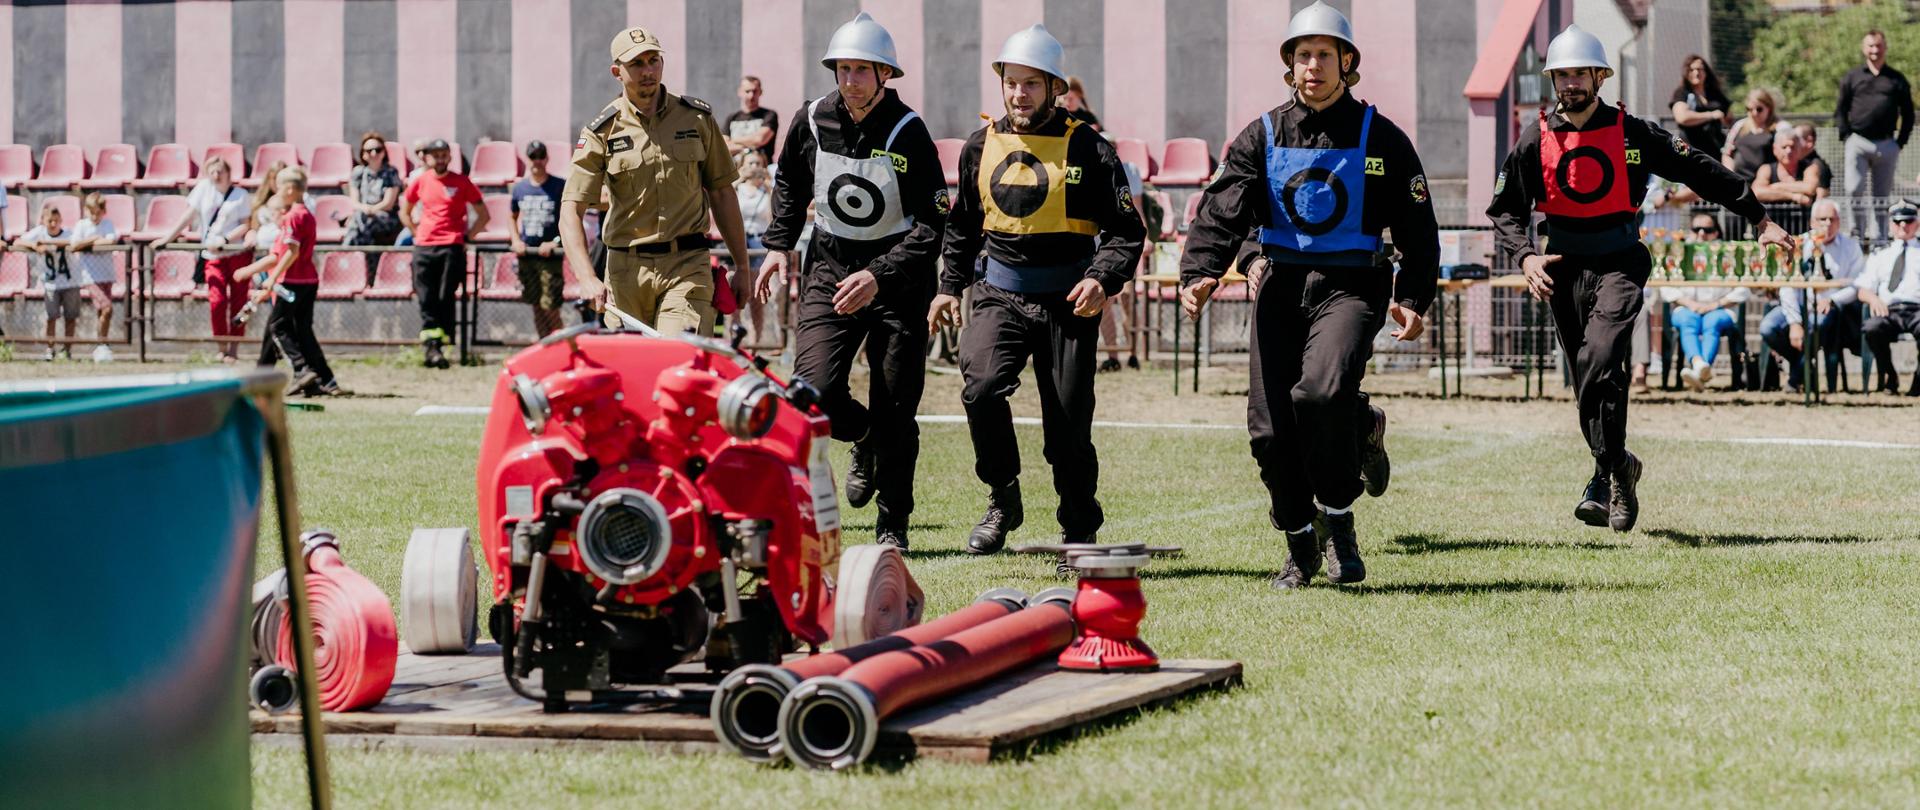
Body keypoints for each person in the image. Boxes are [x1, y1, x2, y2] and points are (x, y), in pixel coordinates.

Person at [1488, 24, 1790, 532]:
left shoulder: (1634, 131)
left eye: (1579, 74)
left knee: (1602, 355)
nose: (1570, 84)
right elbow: (1505, 210)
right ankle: (1617, 468)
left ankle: (1603, 476)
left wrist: (1758, 217)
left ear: (1599, 76)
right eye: (1561, 76)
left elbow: (1700, 169)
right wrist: (1526, 257)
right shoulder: (1533, 138)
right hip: (1561, 266)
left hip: (1620, 260)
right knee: (1590, 374)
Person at [1179, 1, 1435, 588]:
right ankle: (1299, 542)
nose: (1312, 65)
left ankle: (1339, 523)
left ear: (1347, 62)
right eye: (1302, 55)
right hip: (1281, 285)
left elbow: (1419, 226)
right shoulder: (1261, 134)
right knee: (1270, 429)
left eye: (1324, 54)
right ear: (1289, 66)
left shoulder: (1383, 138)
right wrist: (1200, 271)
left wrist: (1415, 296)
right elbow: (1222, 211)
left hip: (1352, 285)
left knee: (1320, 394)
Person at [930, 23, 1146, 553]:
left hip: (1069, 300)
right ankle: (1003, 496)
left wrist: (1101, 278)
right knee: (980, 389)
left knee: (1068, 428)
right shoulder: (979, 145)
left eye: (1031, 83)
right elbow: (962, 228)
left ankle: (1078, 528)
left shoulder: (1090, 149)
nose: (1019, 94)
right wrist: (946, 287)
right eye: (1011, 82)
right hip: (998, 292)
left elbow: (1126, 232)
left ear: (1055, 88)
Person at [752, 12, 946, 550]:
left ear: (885, 75)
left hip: (897, 282)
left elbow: (933, 224)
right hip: (829, 270)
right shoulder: (811, 120)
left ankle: (893, 523)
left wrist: (879, 275)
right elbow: (789, 181)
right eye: (843, 68)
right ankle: (862, 437)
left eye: (863, 70)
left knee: (896, 406)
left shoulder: (909, 131)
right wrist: (776, 247)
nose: (851, 79)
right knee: (807, 394)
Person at [560, 26, 751, 336]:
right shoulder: (601, 131)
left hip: (687, 266)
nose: (648, 71)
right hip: (626, 273)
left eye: (654, 60)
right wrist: (585, 276)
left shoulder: (696, 119)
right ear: (616, 72)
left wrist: (742, 267)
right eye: (637, 63)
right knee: (632, 370)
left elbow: (722, 192)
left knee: (678, 360)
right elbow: (571, 209)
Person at [238, 168, 340, 397]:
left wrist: (271, 279)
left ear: (290, 189)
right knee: (302, 329)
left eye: (281, 188)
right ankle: (320, 379)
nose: (278, 191)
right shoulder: (308, 214)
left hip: (291, 280)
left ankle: (301, 369)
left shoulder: (293, 216)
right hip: (308, 279)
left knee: (278, 327)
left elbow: (291, 252)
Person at [150, 156, 252, 362]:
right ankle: (221, 346)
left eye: (220, 171)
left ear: (228, 173)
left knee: (239, 302)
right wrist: (168, 237)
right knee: (217, 301)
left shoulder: (240, 195)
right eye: (212, 171)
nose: (216, 176)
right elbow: (188, 216)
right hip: (212, 255)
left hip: (236, 254)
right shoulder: (203, 189)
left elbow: (245, 224)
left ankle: (234, 348)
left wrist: (225, 239)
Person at [399, 138, 488, 368]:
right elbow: (405, 211)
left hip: (451, 246)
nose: (439, 159)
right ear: (427, 158)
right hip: (425, 246)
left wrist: (468, 236)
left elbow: (483, 214)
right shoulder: (420, 181)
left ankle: (443, 345)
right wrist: (415, 231)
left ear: (449, 156)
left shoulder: (461, 182)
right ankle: (431, 348)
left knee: (445, 296)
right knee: (426, 297)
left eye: (443, 154)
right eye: (434, 155)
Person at [1760, 200, 1863, 392]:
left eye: (1832, 219)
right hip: (1798, 306)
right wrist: (1794, 323)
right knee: (1767, 327)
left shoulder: (1851, 247)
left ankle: (1796, 376)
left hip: (1830, 308)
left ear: (1839, 222)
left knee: (1818, 325)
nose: (1827, 224)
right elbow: (1787, 285)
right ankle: (1805, 366)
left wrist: (1833, 300)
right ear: (1811, 222)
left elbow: (1857, 285)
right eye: (1821, 219)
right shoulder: (1798, 244)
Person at [1837, 30, 1914, 243]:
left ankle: (1880, 240)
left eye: (1878, 46)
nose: (1874, 50)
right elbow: (1841, 109)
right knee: (1854, 190)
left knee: (1881, 196)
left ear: (1885, 48)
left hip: (1887, 144)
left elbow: (1908, 113)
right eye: (1870, 46)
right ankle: (1857, 237)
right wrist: (1846, 136)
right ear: (1864, 48)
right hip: (1858, 142)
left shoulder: (1896, 79)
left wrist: (1899, 143)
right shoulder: (1853, 77)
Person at [1662, 214, 1750, 392]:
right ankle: (1700, 367)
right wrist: (1689, 303)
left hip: (1719, 309)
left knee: (1712, 321)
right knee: (1688, 320)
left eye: (1708, 230)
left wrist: (1716, 304)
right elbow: (1665, 285)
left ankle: (1699, 369)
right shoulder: (1678, 252)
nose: (1701, 234)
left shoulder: (1729, 253)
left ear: (1717, 233)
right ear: (1690, 232)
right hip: (1686, 308)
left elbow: (1744, 288)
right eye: (1696, 230)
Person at [1856, 199, 1920, 395]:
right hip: (1889, 309)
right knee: (1872, 328)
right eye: (1898, 221)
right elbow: (1863, 289)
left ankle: (1918, 381)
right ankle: (1890, 375)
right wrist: (1874, 299)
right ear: (1891, 224)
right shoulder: (1879, 254)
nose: (1903, 226)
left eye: (1908, 221)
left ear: (1917, 223)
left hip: (1917, 310)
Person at [510, 140, 567, 338]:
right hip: (528, 254)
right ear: (527, 159)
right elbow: (512, 216)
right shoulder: (519, 188)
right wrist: (516, 240)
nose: (537, 160)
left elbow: (570, 220)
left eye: (541, 156)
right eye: (533, 156)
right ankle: (544, 347)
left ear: (547, 158)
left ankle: (563, 348)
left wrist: (556, 242)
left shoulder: (559, 185)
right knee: (536, 305)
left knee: (551, 307)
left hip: (551, 256)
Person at [19, 206, 78, 361]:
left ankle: (67, 350)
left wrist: (60, 244)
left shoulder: (68, 234)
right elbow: (19, 240)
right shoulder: (39, 233)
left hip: (70, 282)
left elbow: (77, 242)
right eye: (50, 221)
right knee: (51, 317)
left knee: (70, 317)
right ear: (43, 221)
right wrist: (34, 246)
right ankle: (50, 349)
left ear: (61, 221)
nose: (53, 224)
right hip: (50, 284)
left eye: (56, 221)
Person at [67, 193, 119, 360]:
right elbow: (74, 245)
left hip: (106, 274)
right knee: (107, 308)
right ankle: (102, 344)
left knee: (102, 312)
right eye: (92, 212)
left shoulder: (108, 224)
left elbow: (110, 241)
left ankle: (101, 344)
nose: (95, 216)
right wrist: (95, 239)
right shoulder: (82, 225)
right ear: (86, 211)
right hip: (89, 275)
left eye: (98, 212)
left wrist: (88, 243)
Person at [1753, 128, 1823, 233]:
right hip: (1771, 231)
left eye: (1792, 147)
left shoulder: (1810, 167)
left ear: (1799, 149)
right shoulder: (1766, 169)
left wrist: (1777, 186)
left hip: (1801, 231)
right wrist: (1795, 196)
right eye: (1784, 147)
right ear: (1775, 149)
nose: (1789, 151)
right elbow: (1757, 192)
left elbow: (1810, 188)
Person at [345, 131, 404, 246]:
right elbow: (354, 201)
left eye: (378, 150)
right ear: (363, 154)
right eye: (369, 150)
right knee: (360, 218)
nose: (374, 153)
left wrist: (371, 210)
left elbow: (388, 204)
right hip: (363, 214)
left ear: (383, 152)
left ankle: (348, 255)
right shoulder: (358, 172)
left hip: (385, 216)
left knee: (359, 222)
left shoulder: (391, 172)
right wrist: (365, 209)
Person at [1669, 55, 1731, 156]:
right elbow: (1682, 118)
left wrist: (1725, 120)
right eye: (1691, 70)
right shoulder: (1681, 92)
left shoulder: (1715, 94)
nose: (1696, 73)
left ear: (1706, 72)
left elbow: (1728, 117)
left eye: (1699, 69)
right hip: (1686, 149)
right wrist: (1711, 115)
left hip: (1714, 149)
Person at [1722, 87, 1786, 183]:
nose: (1754, 113)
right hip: (1738, 181)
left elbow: (1787, 157)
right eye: (1749, 109)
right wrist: (1731, 174)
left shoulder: (1780, 128)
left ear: (1769, 108)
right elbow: (1727, 154)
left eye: (1759, 109)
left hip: (1765, 182)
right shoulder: (1739, 125)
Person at [725, 75, 780, 165]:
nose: (751, 95)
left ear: (760, 92)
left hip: (761, 170)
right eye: (747, 91)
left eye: (755, 91)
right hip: (736, 171)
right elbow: (724, 147)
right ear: (740, 92)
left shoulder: (769, 115)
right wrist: (750, 147)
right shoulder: (731, 118)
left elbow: (759, 139)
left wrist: (733, 140)